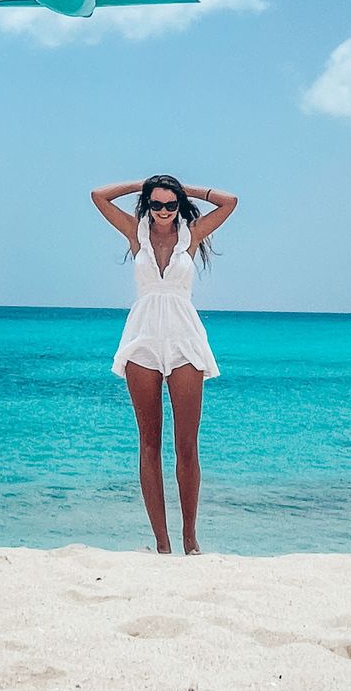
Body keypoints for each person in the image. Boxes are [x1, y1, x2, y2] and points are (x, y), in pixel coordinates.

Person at [91, 174, 238, 555]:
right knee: (149, 443)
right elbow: (99, 196)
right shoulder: (135, 233)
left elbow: (230, 202)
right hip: (142, 337)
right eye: (155, 204)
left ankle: (190, 539)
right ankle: (162, 543)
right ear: (147, 205)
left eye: (170, 205)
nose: (162, 211)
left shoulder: (191, 235)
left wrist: (186, 189)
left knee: (187, 445)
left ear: (179, 207)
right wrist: (143, 184)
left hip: (184, 337)